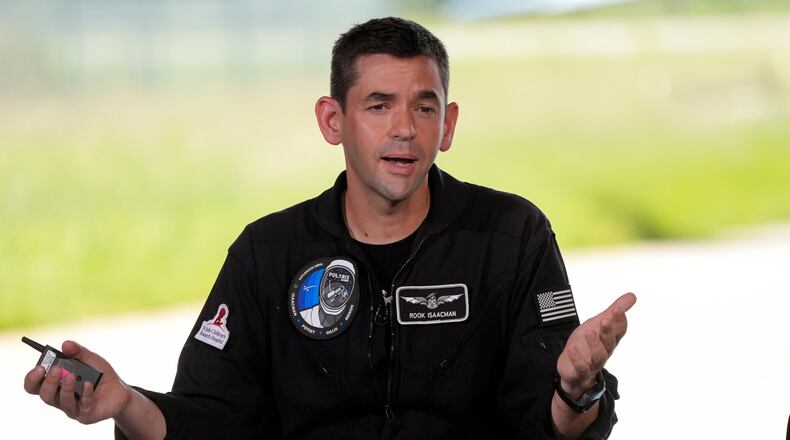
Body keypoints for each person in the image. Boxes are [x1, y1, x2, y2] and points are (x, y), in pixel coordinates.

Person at [24, 17, 636, 439]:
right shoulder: (268, 255)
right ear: (332, 119)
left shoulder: (510, 236)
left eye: (424, 107)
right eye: (378, 105)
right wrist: (126, 404)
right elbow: (211, 423)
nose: (404, 128)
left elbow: (551, 426)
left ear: (447, 126)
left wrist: (578, 389)